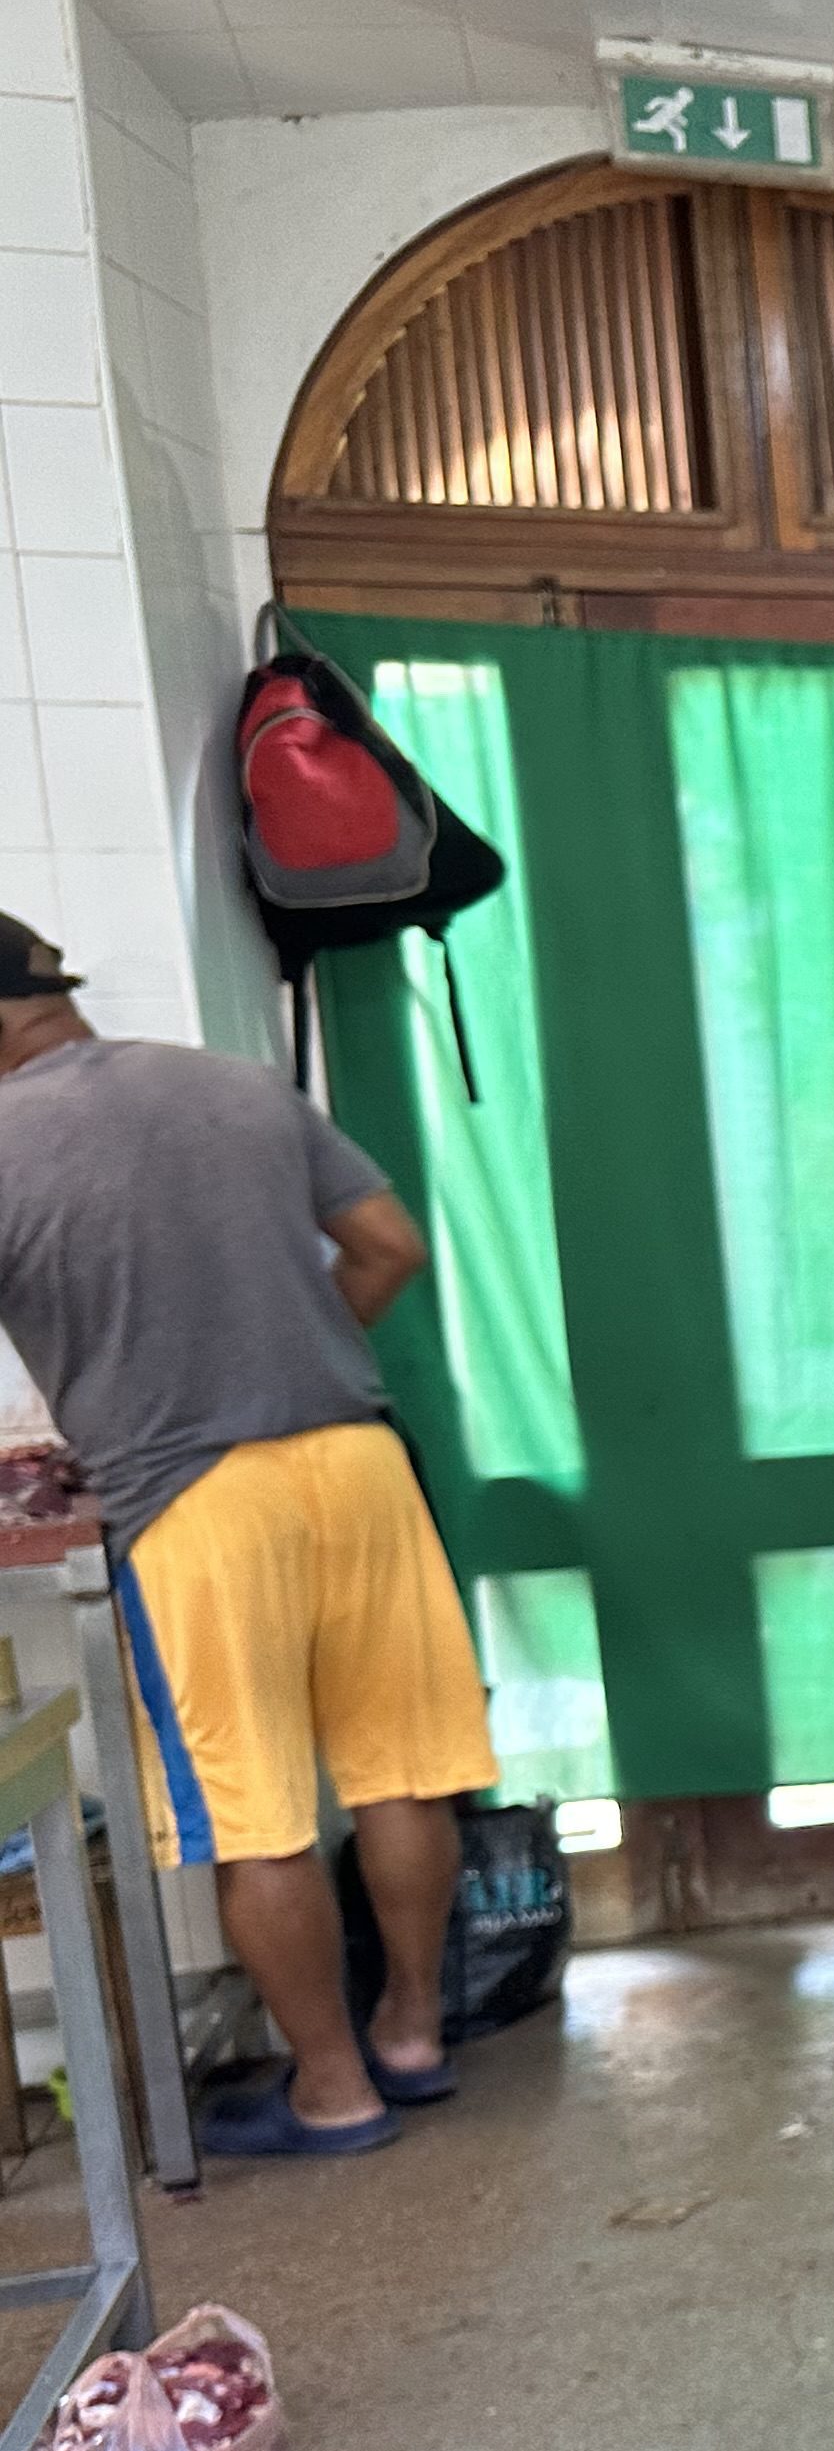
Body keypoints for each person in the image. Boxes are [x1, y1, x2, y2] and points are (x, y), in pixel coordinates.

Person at [0, 915, 498, 2157]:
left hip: (197, 1505)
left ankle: (330, 2090)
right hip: (358, 1464)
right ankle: (413, 2036)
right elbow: (390, 1247)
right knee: (398, 1768)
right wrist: (284, 1345)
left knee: (254, 1809)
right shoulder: (238, 1085)